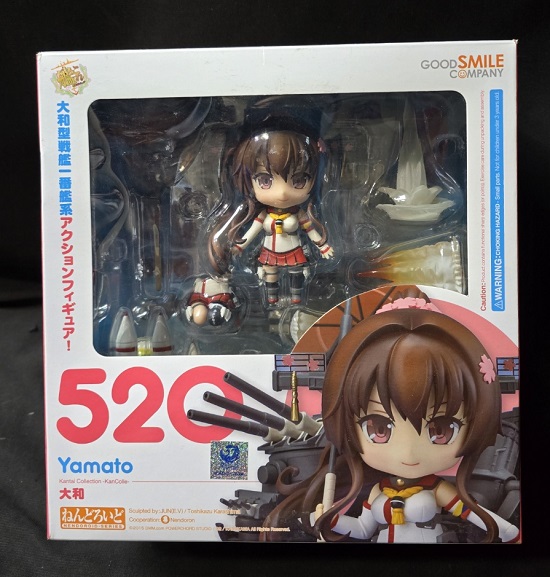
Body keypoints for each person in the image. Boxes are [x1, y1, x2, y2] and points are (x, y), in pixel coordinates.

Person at [263, 291, 519, 543]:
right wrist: (330, 520)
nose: (408, 452)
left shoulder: (437, 489)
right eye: (379, 429)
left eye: (441, 430)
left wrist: (511, 534)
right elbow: (363, 529)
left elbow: (474, 514)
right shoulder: (380, 490)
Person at [209, 129, 333, 306]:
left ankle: (296, 299)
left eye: (299, 180)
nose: (282, 193)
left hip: (294, 250)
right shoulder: (264, 215)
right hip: (269, 252)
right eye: (265, 180)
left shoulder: (299, 213)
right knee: (270, 275)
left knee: (296, 274)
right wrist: (239, 246)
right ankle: (272, 300)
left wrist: (323, 246)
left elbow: (310, 230)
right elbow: (252, 232)